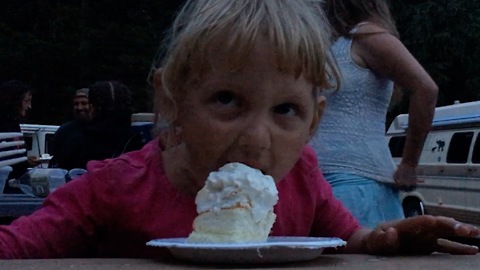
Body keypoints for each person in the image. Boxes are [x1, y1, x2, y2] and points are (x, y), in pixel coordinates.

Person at [0, 0, 477, 259]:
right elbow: (18, 245)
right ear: (172, 102)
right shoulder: (111, 188)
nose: (257, 137)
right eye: (227, 99)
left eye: (286, 109)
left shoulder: (302, 174)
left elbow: (349, 238)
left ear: (315, 120)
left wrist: (388, 239)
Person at [309, 0, 439, 228]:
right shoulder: (323, 45)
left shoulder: (365, 36)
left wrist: (409, 163)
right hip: (312, 179)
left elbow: (425, 88)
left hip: (357, 184)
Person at [0, 80, 39, 193]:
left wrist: (26, 161)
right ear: (14, 100)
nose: (29, 106)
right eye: (27, 101)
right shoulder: (4, 125)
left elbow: (11, 158)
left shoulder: (13, 123)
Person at [49, 88, 93, 170]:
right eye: (76, 104)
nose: (79, 107)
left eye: (84, 103)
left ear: (92, 105)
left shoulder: (101, 130)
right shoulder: (64, 130)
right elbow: (54, 159)